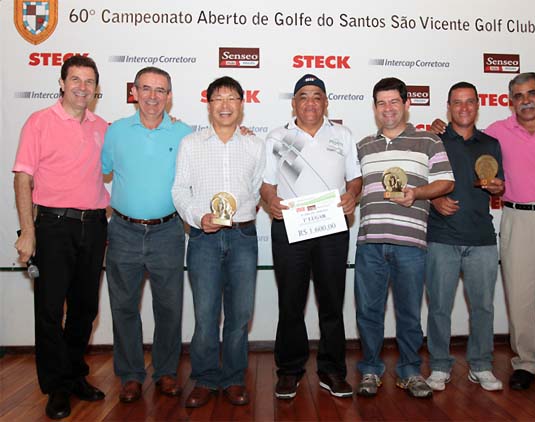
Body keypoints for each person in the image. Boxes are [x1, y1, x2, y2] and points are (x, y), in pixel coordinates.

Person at [431, 72, 535, 394]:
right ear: (509, 100)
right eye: (517, 95)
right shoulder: (497, 132)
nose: (525, 100)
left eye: (531, 93)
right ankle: (526, 363)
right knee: (519, 294)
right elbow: (464, 144)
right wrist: (437, 128)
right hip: (516, 216)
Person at [13, 55, 108, 419]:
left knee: (85, 309)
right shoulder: (39, 122)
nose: (82, 87)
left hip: (95, 225)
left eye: (89, 81)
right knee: (50, 311)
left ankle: (73, 375)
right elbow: (23, 178)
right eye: (75, 80)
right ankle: (56, 388)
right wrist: (28, 231)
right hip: (53, 227)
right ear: (62, 82)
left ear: (96, 88)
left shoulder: (103, 127)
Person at [260, 74, 362, 399]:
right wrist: (270, 201)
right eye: (303, 96)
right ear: (294, 103)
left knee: (331, 302)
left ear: (326, 102)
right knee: (291, 302)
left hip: (332, 228)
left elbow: (355, 179)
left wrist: (352, 195)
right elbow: (266, 183)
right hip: (291, 228)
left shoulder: (342, 135)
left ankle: (332, 370)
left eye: (317, 96)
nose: (310, 103)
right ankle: (289, 370)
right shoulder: (279, 136)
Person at [355, 77, 454, 399]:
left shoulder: (428, 141)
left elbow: (445, 182)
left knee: (409, 313)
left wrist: (417, 193)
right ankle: (370, 369)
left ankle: (410, 371)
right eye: (381, 103)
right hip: (369, 242)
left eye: (394, 101)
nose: (388, 108)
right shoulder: (363, 146)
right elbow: (348, 187)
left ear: (407, 104)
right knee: (368, 313)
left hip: (410, 244)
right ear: (374, 108)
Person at [172, 76, 265, 407]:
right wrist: (199, 217)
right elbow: (179, 190)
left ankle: (234, 378)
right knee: (206, 313)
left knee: (240, 315)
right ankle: (206, 378)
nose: (225, 105)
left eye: (232, 98)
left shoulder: (256, 145)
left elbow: (257, 190)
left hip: (243, 236)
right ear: (208, 104)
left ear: (242, 104)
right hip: (203, 237)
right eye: (218, 99)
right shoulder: (191, 144)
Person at [101, 67, 192, 403]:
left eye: (161, 90)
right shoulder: (116, 132)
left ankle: (166, 372)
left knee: (169, 307)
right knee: (124, 307)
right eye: (147, 89)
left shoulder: (185, 133)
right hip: (123, 230)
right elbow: (101, 170)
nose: (154, 96)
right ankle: (130, 375)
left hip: (168, 231)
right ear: (135, 92)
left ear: (169, 96)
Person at [425, 82, 505, 393]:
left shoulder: (492, 143)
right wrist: (433, 200)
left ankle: (481, 365)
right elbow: (417, 183)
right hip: (442, 237)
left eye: (469, 102)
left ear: (477, 105)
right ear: (448, 106)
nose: (463, 108)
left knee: (483, 307)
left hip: (482, 237)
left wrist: (499, 187)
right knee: (439, 307)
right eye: (457, 102)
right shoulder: (433, 140)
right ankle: (441, 365)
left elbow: (500, 184)